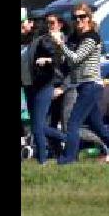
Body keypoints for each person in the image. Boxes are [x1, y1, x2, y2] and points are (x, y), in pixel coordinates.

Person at [52, 3, 109, 165]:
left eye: (82, 17)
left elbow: (76, 58)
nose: (78, 20)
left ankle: (67, 161)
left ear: (89, 18)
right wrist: (58, 50)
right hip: (81, 85)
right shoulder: (75, 37)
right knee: (97, 127)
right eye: (75, 17)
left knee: (73, 123)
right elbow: (66, 62)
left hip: (91, 85)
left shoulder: (92, 37)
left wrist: (61, 44)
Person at [24, 15, 69, 164]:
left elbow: (59, 58)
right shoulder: (26, 40)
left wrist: (47, 60)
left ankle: (42, 161)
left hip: (43, 85)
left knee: (37, 127)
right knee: (39, 125)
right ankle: (70, 139)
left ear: (32, 24)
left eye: (24, 22)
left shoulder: (44, 39)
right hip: (29, 86)